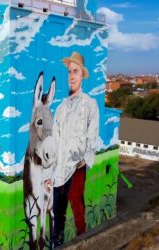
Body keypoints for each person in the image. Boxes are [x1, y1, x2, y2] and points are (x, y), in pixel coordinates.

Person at [52, 52, 99, 247]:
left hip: (77, 167)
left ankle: (82, 242)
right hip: (59, 169)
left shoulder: (90, 104)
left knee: (78, 210)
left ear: (82, 75)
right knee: (58, 212)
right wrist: (51, 170)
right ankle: (57, 244)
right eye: (69, 71)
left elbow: (93, 134)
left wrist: (86, 159)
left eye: (75, 71)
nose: (71, 76)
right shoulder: (61, 108)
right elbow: (55, 140)